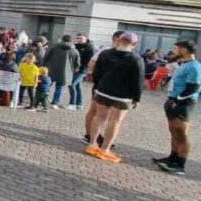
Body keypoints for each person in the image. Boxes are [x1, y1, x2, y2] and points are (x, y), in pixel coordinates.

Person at [86, 32, 144, 163]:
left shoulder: (105, 53)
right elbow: (138, 80)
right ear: (134, 44)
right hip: (122, 96)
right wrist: (137, 97)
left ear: (120, 40)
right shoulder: (136, 59)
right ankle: (105, 150)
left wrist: (97, 86)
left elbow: (97, 71)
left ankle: (92, 144)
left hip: (103, 90)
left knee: (99, 118)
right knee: (115, 122)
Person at [153, 40, 201, 175]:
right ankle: (172, 158)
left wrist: (178, 101)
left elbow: (194, 87)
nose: (173, 51)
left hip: (183, 104)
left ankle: (180, 165)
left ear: (184, 50)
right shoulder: (183, 64)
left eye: (176, 48)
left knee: (181, 134)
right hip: (173, 101)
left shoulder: (194, 67)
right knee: (174, 132)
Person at [83, 30, 124, 145]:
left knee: (107, 114)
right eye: (122, 40)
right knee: (94, 111)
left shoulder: (124, 53)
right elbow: (91, 64)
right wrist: (103, 76)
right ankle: (88, 135)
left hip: (115, 88)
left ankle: (97, 135)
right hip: (101, 86)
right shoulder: (105, 51)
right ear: (115, 40)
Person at [42, 35, 80, 108]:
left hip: (50, 69)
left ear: (62, 39)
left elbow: (46, 56)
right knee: (59, 87)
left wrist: (43, 65)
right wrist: (73, 70)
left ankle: (43, 99)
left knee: (47, 85)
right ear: (71, 41)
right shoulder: (74, 50)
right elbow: (77, 63)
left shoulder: (54, 47)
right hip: (65, 72)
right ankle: (55, 103)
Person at [70, 34, 96, 110]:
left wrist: (83, 68)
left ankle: (72, 103)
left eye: (81, 38)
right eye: (78, 38)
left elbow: (90, 60)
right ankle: (79, 104)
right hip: (75, 69)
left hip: (82, 70)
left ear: (86, 38)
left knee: (72, 84)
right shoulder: (76, 46)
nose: (79, 39)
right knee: (78, 86)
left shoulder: (90, 47)